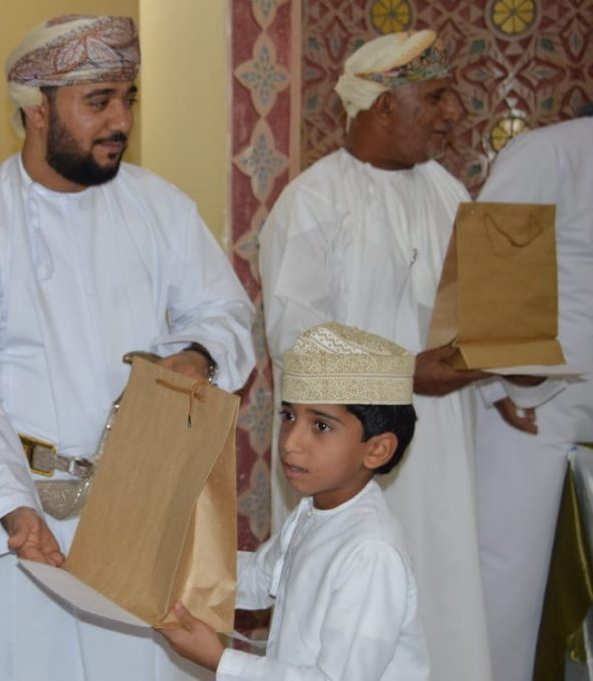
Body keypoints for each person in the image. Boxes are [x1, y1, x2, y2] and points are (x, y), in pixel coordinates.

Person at [0, 14, 256, 681]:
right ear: (36, 109)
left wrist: (197, 356)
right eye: (98, 101)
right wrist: (10, 508)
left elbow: (226, 311)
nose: (120, 120)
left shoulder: (159, 207)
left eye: (128, 98)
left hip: (140, 511)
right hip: (24, 521)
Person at [258, 30, 494, 680]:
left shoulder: (449, 193)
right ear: (385, 105)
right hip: (344, 452)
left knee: (442, 591)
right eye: (437, 97)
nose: (453, 113)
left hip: (443, 447)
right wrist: (406, 371)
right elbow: (298, 344)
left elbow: (477, 311)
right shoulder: (312, 203)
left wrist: (510, 369)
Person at [162, 322, 428, 680]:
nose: (289, 442)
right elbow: (258, 578)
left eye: (320, 426)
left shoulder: (371, 552)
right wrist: (169, 559)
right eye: (288, 417)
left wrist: (220, 661)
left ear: (377, 450)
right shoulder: (315, 511)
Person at [473, 112, 593, 681]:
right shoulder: (548, 152)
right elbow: (488, 269)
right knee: (508, 581)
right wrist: (496, 382)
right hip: (536, 410)